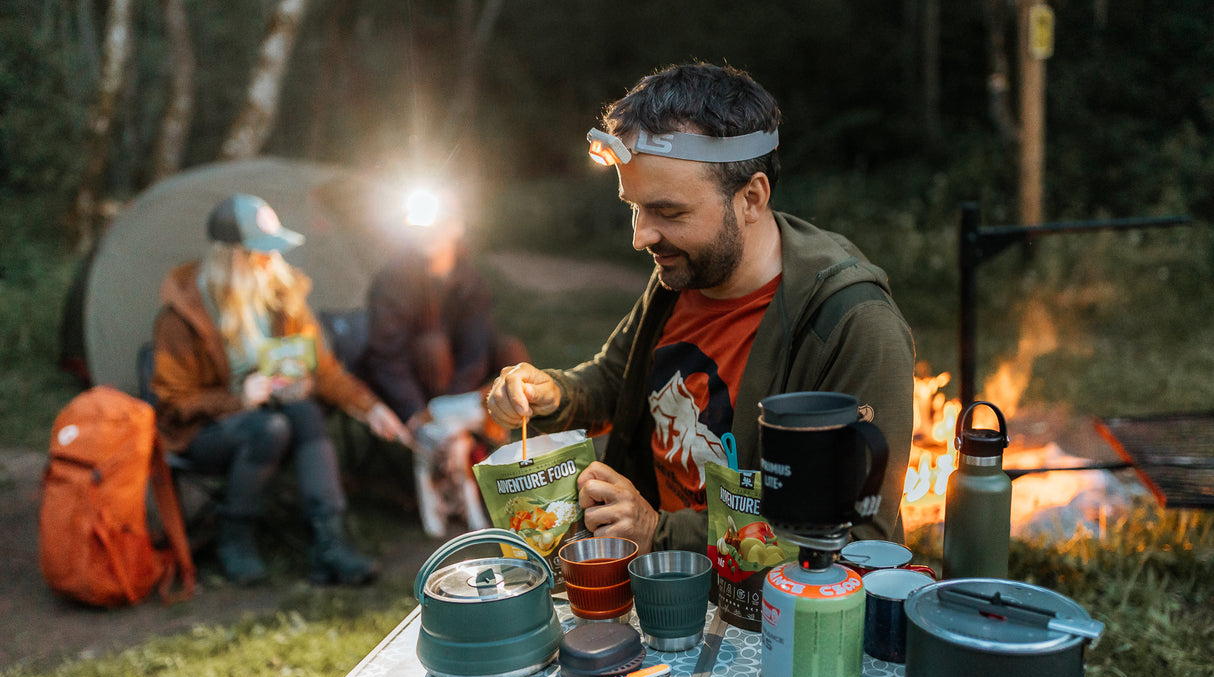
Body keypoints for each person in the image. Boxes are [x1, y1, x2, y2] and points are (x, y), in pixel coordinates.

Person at [485, 62, 915, 559]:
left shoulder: (852, 324)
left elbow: (858, 540)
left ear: (751, 197)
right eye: (634, 207)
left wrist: (659, 533)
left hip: (774, 620)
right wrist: (554, 394)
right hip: (666, 591)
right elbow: (617, 379)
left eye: (668, 212)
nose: (640, 236)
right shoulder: (686, 270)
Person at [151, 193, 409, 585]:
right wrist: (239, 398)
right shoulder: (184, 315)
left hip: (273, 417)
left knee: (303, 413)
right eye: (260, 253)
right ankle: (233, 537)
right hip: (205, 433)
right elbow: (173, 403)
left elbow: (321, 368)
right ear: (232, 258)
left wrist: (368, 407)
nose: (272, 261)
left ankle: (330, 543)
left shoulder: (280, 296)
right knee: (270, 429)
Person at [359, 191, 527, 536]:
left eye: (439, 224)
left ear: (457, 228)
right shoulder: (391, 279)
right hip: (411, 386)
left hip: (457, 391)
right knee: (432, 346)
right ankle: (448, 445)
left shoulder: (470, 280)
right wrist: (415, 410)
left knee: (513, 352)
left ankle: (511, 454)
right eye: (422, 225)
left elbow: (478, 346)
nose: (429, 233)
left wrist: (457, 403)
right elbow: (386, 355)